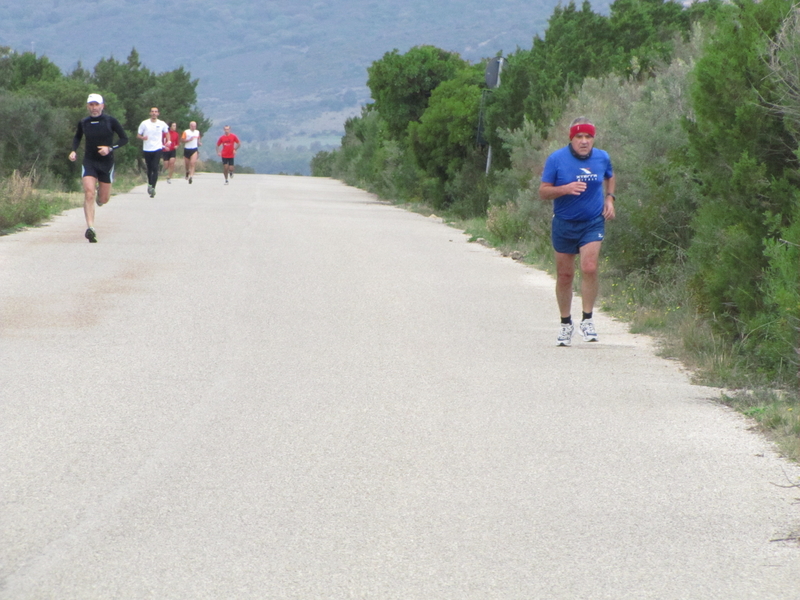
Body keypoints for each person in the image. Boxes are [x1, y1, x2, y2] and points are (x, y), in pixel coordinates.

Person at [538, 117, 616, 346]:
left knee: (589, 267)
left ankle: (588, 320)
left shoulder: (602, 157)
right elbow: (543, 192)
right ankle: (565, 324)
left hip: (592, 222)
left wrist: (610, 199)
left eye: (588, 137)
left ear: (594, 138)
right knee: (565, 275)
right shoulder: (556, 159)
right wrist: (565, 189)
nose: (584, 141)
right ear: (571, 138)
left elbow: (610, 176)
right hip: (564, 223)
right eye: (579, 137)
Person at [68, 93, 129, 243]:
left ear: (102, 106)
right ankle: (91, 228)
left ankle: (100, 199)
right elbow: (77, 137)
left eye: (97, 105)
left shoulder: (110, 121)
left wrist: (110, 148)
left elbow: (124, 138)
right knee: (89, 192)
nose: (94, 108)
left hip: (106, 163)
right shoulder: (84, 122)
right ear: (87, 106)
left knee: (103, 199)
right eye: (91, 105)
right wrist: (73, 150)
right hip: (89, 161)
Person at [137, 107, 169, 197]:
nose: (154, 113)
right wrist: (142, 138)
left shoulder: (161, 123)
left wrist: (168, 141)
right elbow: (138, 135)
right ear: (150, 113)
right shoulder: (144, 123)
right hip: (147, 148)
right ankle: (150, 184)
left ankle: (153, 188)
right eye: (152, 112)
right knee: (149, 168)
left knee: (155, 167)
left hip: (158, 148)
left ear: (158, 113)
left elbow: (167, 132)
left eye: (156, 112)